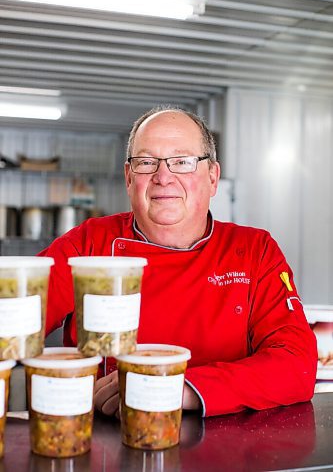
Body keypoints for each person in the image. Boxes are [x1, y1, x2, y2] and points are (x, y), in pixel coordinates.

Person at [39, 106, 317, 418]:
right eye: (146, 162)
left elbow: (296, 365)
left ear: (212, 178)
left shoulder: (254, 250)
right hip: (103, 441)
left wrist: (173, 388)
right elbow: (12, 321)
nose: (163, 177)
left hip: (226, 451)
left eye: (182, 162)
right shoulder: (89, 244)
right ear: (129, 179)